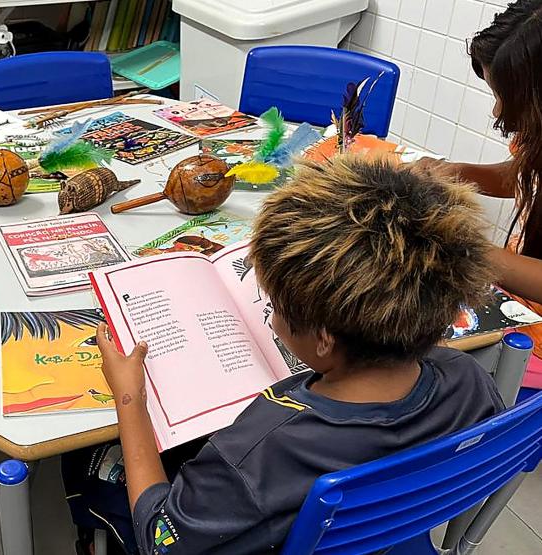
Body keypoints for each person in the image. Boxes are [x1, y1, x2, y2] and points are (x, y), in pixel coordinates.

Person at [63, 157, 505, 554]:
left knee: (82, 458)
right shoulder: (467, 377)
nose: (270, 316)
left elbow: (160, 539)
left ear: (325, 339)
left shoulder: (261, 448)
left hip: (244, 519)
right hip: (387, 533)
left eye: (273, 307)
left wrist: (129, 399)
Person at [414, 0, 542, 359]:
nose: (497, 111)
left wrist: (466, 251)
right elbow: (524, 176)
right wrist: (457, 173)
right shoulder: (538, 136)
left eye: (505, 98)